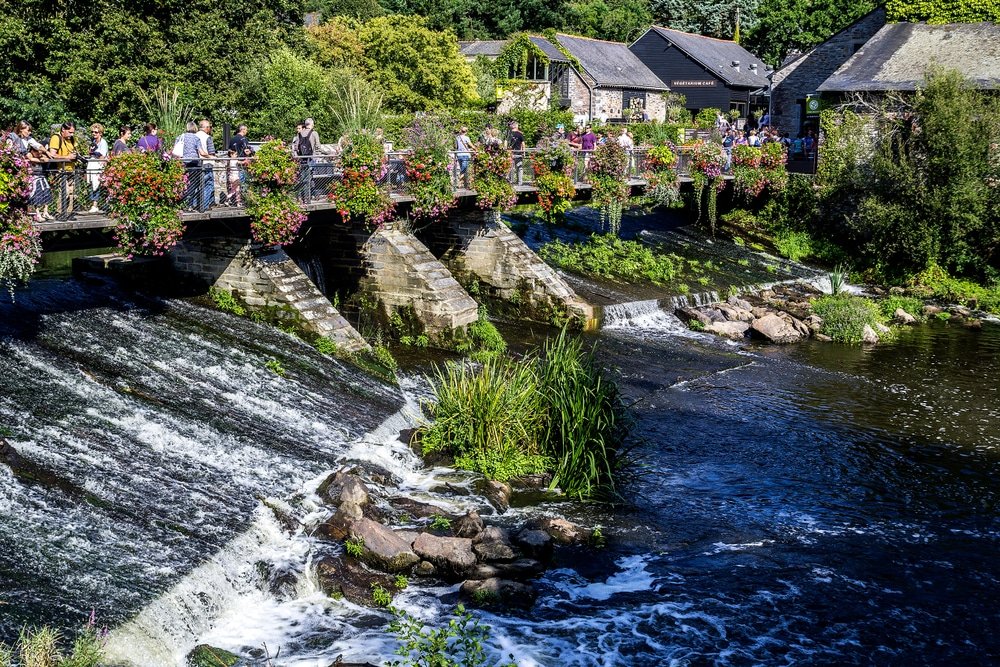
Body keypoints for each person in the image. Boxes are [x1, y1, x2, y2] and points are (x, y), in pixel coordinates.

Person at [8, 121, 53, 220]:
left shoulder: (28, 139)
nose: (29, 132)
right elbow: (8, 151)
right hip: (13, 168)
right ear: (21, 129)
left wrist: (47, 152)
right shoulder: (12, 137)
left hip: (22, 170)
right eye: (28, 130)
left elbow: (37, 145)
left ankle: (22, 216)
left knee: (24, 193)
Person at [48, 122, 79, 216]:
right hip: (61, 170)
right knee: (64, 192)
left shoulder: (72, 139)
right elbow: (52, 155)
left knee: (71, 193)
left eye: (73, 132)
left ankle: (68, 214)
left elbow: (74, 152)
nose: (71, 134)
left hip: (71, 169)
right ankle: (60, 213)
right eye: (70, 132)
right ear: (63, 130)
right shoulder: (56, 138)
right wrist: (67, 157)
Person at [86, 124, 109, 213]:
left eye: (96, 132)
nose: (94, 133)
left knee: (97, 184)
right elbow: (90, 153)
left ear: (100, 133)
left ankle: (95, 205)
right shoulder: (93, 142)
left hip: (99, 166)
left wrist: (95, 153)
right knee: (93, 184)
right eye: (92, 132)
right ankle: (94, 204)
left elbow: (102, 156)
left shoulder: (103, 142)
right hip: (92, 165)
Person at [195, 119, 216, 210]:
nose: (210, 129)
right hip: (207, 163)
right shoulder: (207, 137)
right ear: (206, 128)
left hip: (196, 164)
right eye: (210, 127)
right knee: (208, 184)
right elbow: (211, 152)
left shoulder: (194, 136)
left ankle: (195, 204)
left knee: (196, 185)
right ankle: (204, 205)